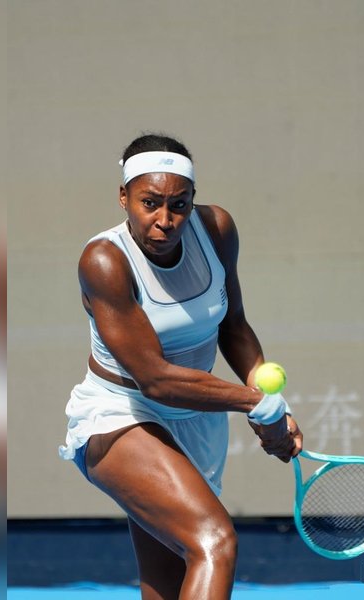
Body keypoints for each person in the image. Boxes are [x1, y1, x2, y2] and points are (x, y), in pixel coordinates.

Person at [59, 133, 303, 599]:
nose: (165, 221)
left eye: (179, 205)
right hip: (122, 416)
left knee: (170, 586)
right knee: (215, 542)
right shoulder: (104, 261)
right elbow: (155, 380)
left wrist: (270, 399)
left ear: (193, 200)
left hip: (195, 422)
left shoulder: (216, 229)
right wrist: (257, 403)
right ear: (124, 197)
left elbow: (233, 325)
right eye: (150, 203)